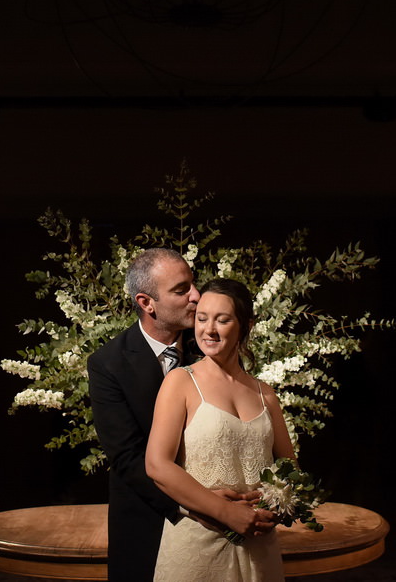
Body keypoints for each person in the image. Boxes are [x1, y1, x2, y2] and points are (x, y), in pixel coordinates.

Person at [88, 249, 266, 581]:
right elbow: (127, 458)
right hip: (150, 520)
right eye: (181, 289)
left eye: (194, 284)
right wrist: (200, 506)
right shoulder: (108, 364)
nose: (197, 296)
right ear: (146, 303)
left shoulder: (211, 341)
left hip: (227, 528)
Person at [146, 277, 296, 582]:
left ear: (246, 325)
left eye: (222, 320)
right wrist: (226, 512)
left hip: (258, 547)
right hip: (197, 546)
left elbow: (289, 467)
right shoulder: (180, 382)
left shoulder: (265, 393)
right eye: (202, 319)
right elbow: (157, 465)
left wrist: (275, 505)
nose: (208, 329)